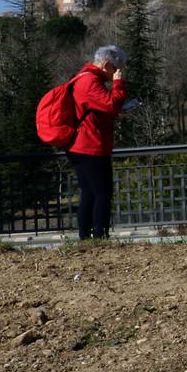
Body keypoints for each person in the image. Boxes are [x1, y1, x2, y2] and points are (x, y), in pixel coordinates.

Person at [66, 45, 129, 240]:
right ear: (107, 64)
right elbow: (111, 103)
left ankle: (86, 236)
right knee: (102, 192)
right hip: (90, 146)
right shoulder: (90, 81)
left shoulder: (85, 78)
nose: (117, 73)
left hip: (83, 145)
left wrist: (113, 115)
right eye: (117, 69)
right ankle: (99, 234)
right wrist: (118, 84)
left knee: (90, 193)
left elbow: (99, 109)